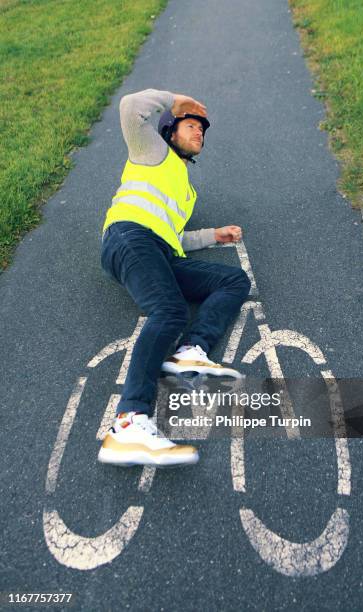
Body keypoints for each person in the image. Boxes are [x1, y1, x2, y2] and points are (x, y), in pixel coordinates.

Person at [98, 89, 250, 468]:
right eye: (191, 125)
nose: (199, 132)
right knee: (169, 312)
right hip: (128, 237)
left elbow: (175, 236)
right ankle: (128, 423)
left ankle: (190, 352)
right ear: (169, 130)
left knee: (233, 281)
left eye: (202, 129)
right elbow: (131, 107)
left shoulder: (186, 189)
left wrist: (213, 235)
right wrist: (175, 98)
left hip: (159, 252)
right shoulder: (151, 151)